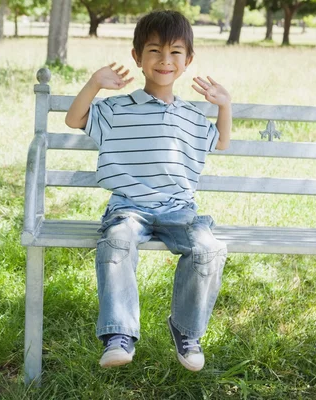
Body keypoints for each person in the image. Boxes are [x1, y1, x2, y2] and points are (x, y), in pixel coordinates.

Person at [65, 10, 232, 372]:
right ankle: (119, 334)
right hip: (129, 208)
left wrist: (224, 105)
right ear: (137, 57)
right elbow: (74, 118)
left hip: (179, 210)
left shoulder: (190, 116)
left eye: (175, 52)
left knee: (209, 249)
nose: (164, 60)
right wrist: (94, 83)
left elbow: (220, 141)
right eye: (154, 51)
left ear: (187, 61)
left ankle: (186, 331)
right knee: (117, 241)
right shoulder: (116, 109)